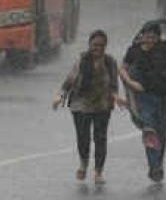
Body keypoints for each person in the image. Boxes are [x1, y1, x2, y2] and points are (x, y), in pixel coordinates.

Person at [120, 16, 166, 183]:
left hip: (164, 97)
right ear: (141, 35)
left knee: (160, 133)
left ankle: (157, 166)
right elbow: (122, 69)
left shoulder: (164, 47)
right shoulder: (134, 50)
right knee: (149, 130)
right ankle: (154, 166)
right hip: (143, 96)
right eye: (147, 36)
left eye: (154, 36)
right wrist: (131, 83)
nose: (150, 39)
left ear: (158, 37)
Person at [52, 30, 125, 185]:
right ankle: (83, 164)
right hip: (81, 103)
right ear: (89, 45)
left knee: (100, 138)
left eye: (100, 45)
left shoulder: (110, 61)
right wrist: (60, 96)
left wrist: (116, 97)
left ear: (105, 46)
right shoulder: (82, 60)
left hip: (102, 104)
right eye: (94, 45)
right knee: (83, 137)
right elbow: (70, 79)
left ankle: (98, 171)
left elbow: (113, 84)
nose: (97, 48)